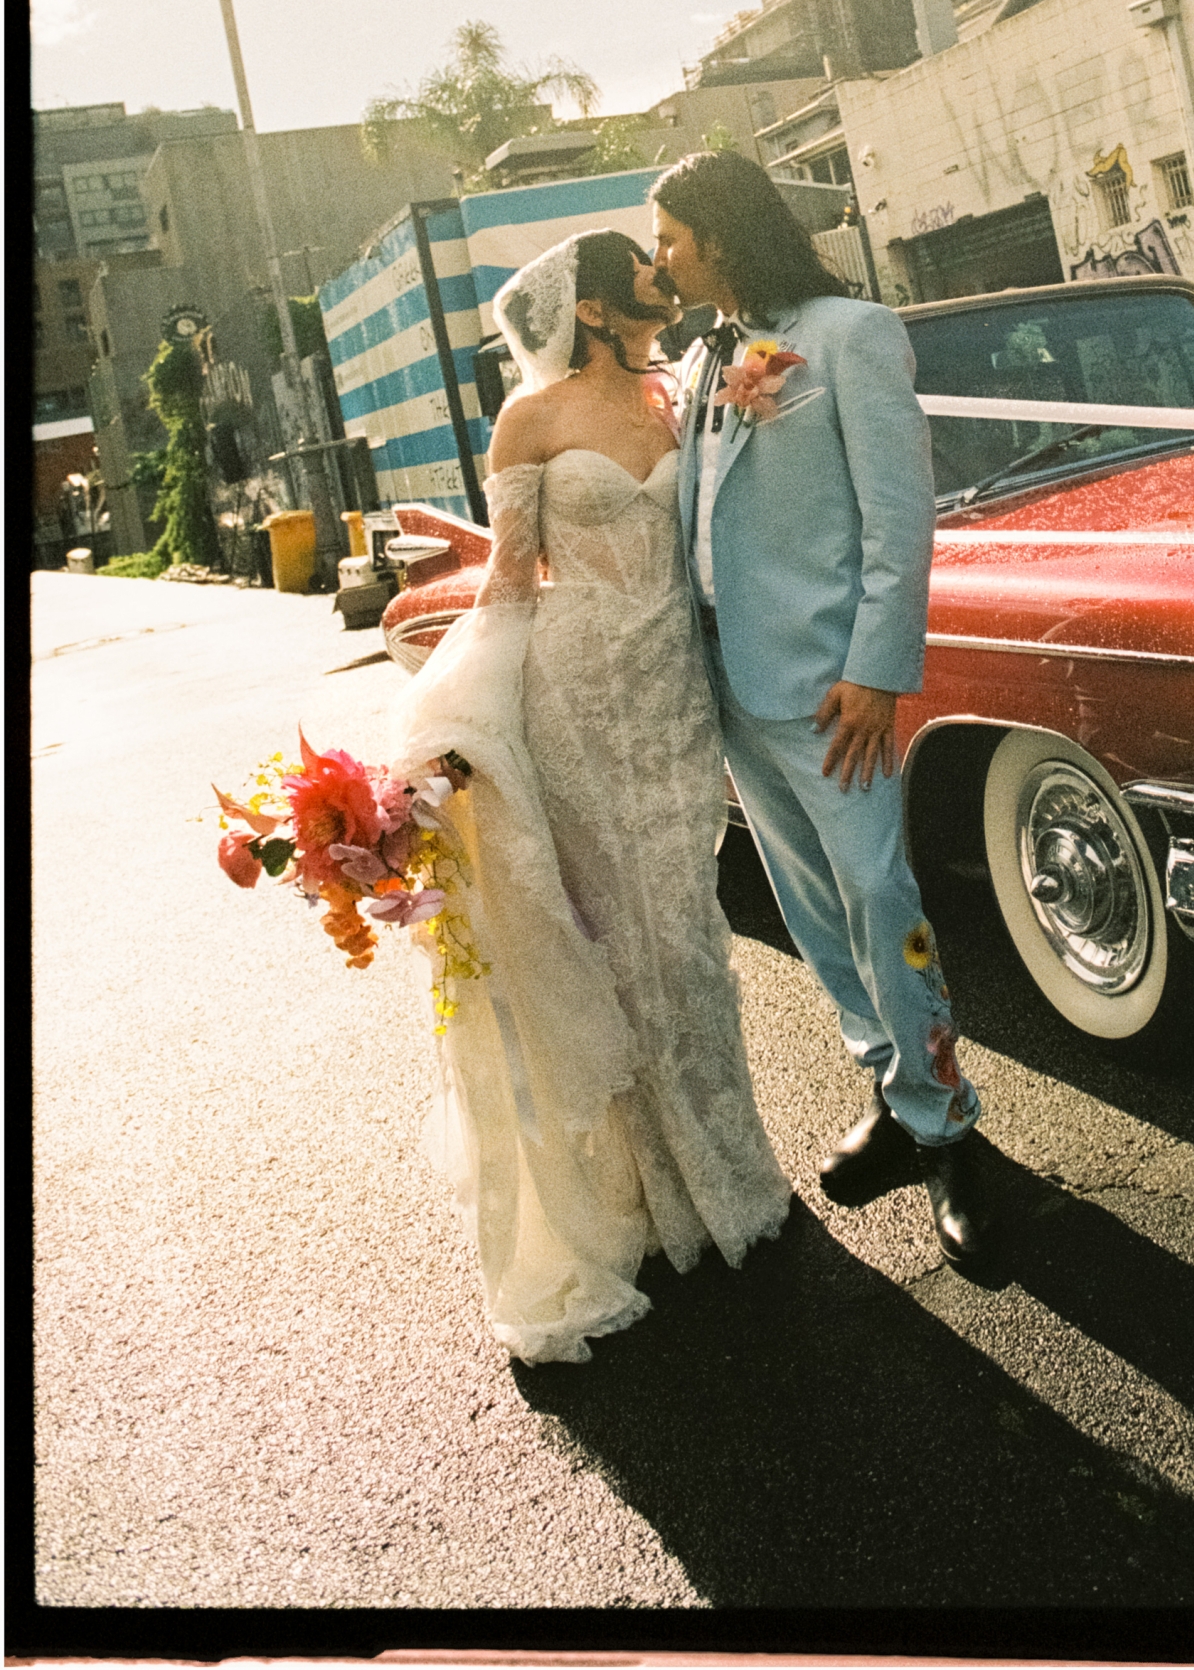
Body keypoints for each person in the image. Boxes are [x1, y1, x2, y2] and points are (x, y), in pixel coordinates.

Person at [389, 227, 792, 1364]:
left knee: (691, 937)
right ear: (599, 308)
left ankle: (732, 1174)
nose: (665, 277)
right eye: (645, 271)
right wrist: (461, 727)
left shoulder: (682, 396)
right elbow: (512, 578)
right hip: (575, 699)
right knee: (619, 943)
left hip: (673, 698)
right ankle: (652, 1201)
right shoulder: (530, 419)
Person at [651, 151, 997, 1269]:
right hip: (731, 685)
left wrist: (876, 670)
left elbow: (899, 518)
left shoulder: (851, 334)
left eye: (670, 237)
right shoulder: (701, 357)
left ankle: (950, 1127)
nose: (661, 258)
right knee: (809, 911)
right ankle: (893, 1092)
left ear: (719, 233)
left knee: (879, 896)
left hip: (830, 688)